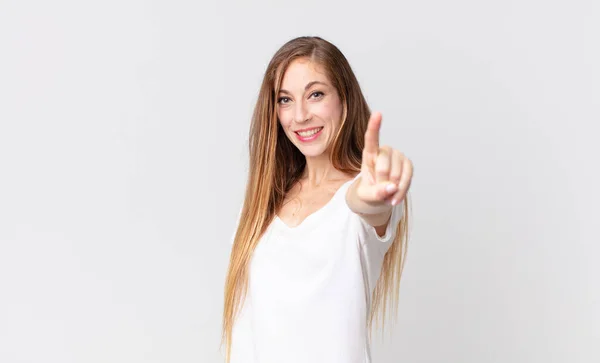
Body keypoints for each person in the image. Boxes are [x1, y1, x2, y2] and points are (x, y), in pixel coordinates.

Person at [222, 36, 413, 363]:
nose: (299, 116)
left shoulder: (358, 200)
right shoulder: (260, 206)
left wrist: (376, 193)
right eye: (285, 99)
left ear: (344, 99)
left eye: (315, 94)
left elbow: (367, 205)